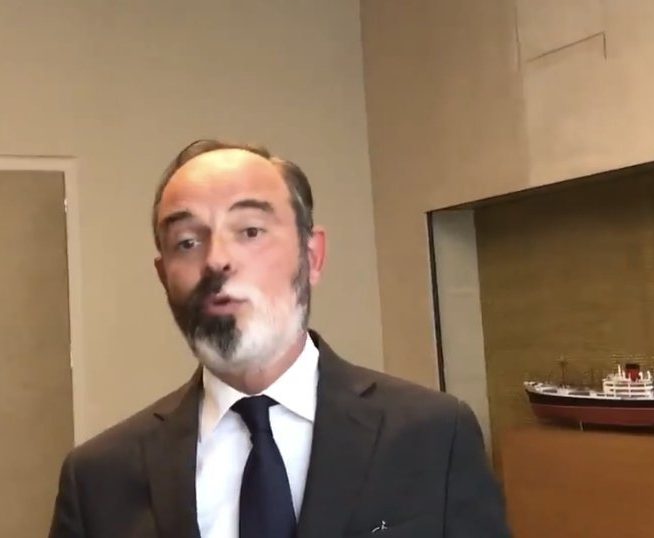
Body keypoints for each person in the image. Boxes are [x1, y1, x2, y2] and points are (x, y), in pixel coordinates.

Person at [49, 139, 511, 538]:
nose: (216, 261)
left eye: (250, 231)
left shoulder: (434, 435)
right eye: (187, 242)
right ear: (163, 276)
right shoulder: (97, 478)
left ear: (312, 257)